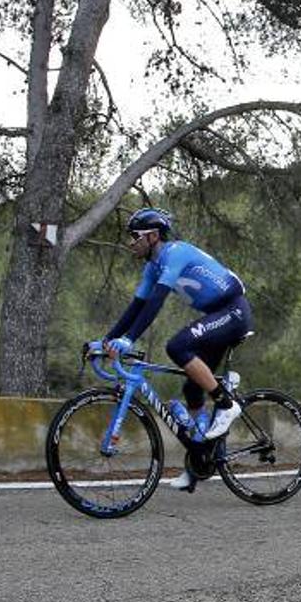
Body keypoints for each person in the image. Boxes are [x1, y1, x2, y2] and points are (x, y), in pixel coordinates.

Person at [94, 207, 251, 491]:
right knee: (192, 390)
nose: (131, 242)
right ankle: (198, 465)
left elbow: (156, 302)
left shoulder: (175, 253)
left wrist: (128, 340)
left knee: (177, 346)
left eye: (135, 236)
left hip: (233, 311)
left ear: (153, 236)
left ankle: (227, 405)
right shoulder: (152, 267)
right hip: (215, 316)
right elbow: (137, 307)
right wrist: (106, 340)